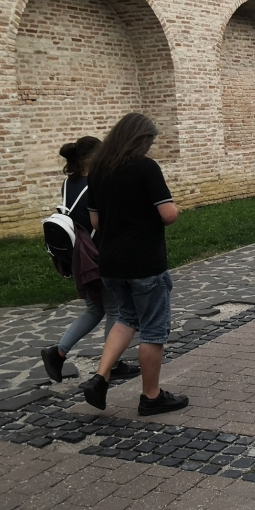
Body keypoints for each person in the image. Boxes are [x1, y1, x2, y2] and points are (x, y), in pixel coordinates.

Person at [81, 112, 188, 417]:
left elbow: (95, 221)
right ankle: (151, 397)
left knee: (126, 317)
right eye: (149, 141)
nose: (150, 146)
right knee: (153, 328)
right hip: (144, 262)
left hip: (111, 262)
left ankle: (100, 377)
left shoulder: (98, 170)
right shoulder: (146, 167)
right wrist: (174, 208)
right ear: (140, 140)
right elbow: (168, 214)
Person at [40, 137, 140, 384]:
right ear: (93, 157)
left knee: (95, 309)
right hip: (98, 255)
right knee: (116, 311)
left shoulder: (68, 183)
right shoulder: (96, 184)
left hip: (79, 255)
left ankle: (58, 352)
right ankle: (112, 364)